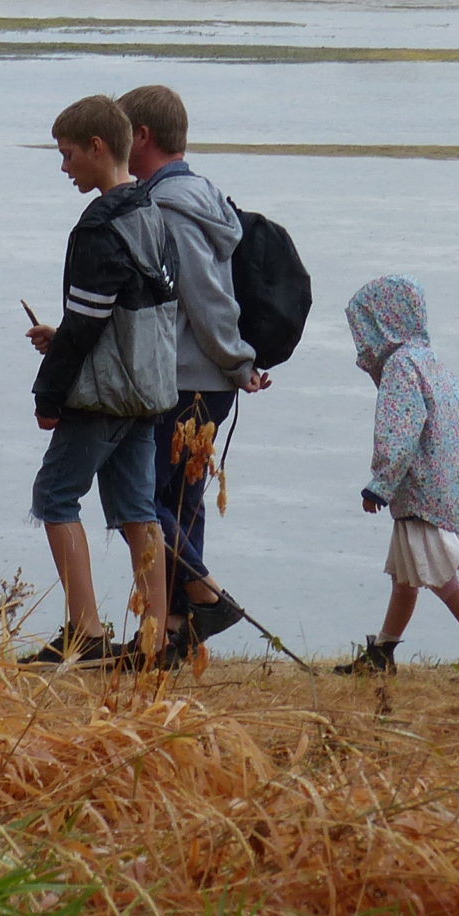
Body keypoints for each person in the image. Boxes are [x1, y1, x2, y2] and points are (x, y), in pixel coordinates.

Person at [23, 95, 179, 668]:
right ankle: (155, 637)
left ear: (97, 148)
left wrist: (48, 392)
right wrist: (64, 334)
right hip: (148, 388)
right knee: (139, 507)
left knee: (55, 497)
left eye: (67, 156)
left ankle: (85, 631)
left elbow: (89, 321)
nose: (63, 168)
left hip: (102, 394)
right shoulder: (150, 212)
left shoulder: (98, 226)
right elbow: (131, 306)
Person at [119, 84, 270, 657]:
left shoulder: (171, 208)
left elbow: (206, 298)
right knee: (182, 504)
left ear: (142, 136)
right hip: (206, 375)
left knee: (142, 499)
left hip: (184, 375)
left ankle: (207, 596)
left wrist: (238, 360)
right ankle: (173, 634)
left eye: (118, 134)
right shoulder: (204, 198)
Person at [336, 275, 459, 679]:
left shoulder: (401, 367)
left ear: (380, 324)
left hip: (417, 490)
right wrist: (451, 478)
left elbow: (400, 430)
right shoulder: (431, 362)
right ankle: (382, 653)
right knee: (407, 576)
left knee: (440, 577)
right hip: (443, 487)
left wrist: (379, 485)